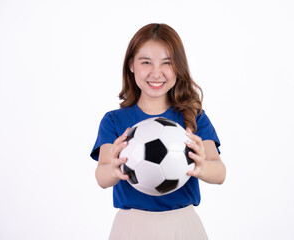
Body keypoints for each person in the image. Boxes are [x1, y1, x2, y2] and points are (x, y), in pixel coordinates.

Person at [90, 23, 226, 239]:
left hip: (183, 226)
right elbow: (102, 176)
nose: (156, 73)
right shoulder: (114, 121)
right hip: (131, 227)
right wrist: (114, 170)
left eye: (167, 63)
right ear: (131, 65)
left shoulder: (194, 117)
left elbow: (219, 173)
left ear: (179, 67)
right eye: (146, 62)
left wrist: (201, 167)